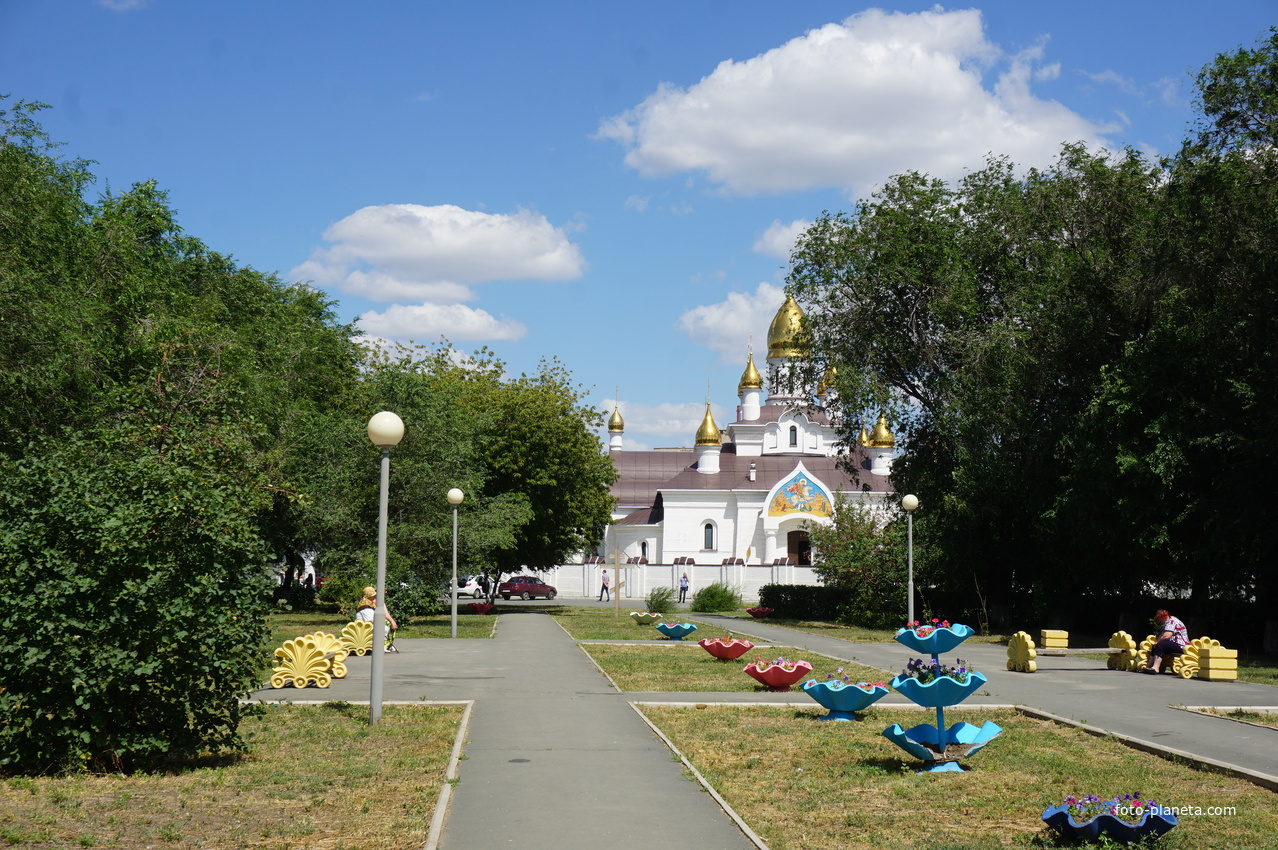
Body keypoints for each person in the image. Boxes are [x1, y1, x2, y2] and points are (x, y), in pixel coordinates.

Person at [355, 586, 400, 652]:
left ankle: (387, 645)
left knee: (385, 626)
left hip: (367, 626)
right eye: (373, 596)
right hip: (364, 627)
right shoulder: (365, 606)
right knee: (383, 628)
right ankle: (380, 646)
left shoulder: (368, 604)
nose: (374, 597)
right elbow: (370, 620)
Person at [1143, 608, 1188, 673]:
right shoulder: (1169, 621)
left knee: (1160, 645)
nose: (1160, 621)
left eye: (1159, 618)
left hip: (1181, 645)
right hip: (1174, 644)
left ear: (1163, 616)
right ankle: (1149, 667)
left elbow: (1167, 636)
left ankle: (1155, 668)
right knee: (1155, 646)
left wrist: (1157, 641)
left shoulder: (1171, 621)